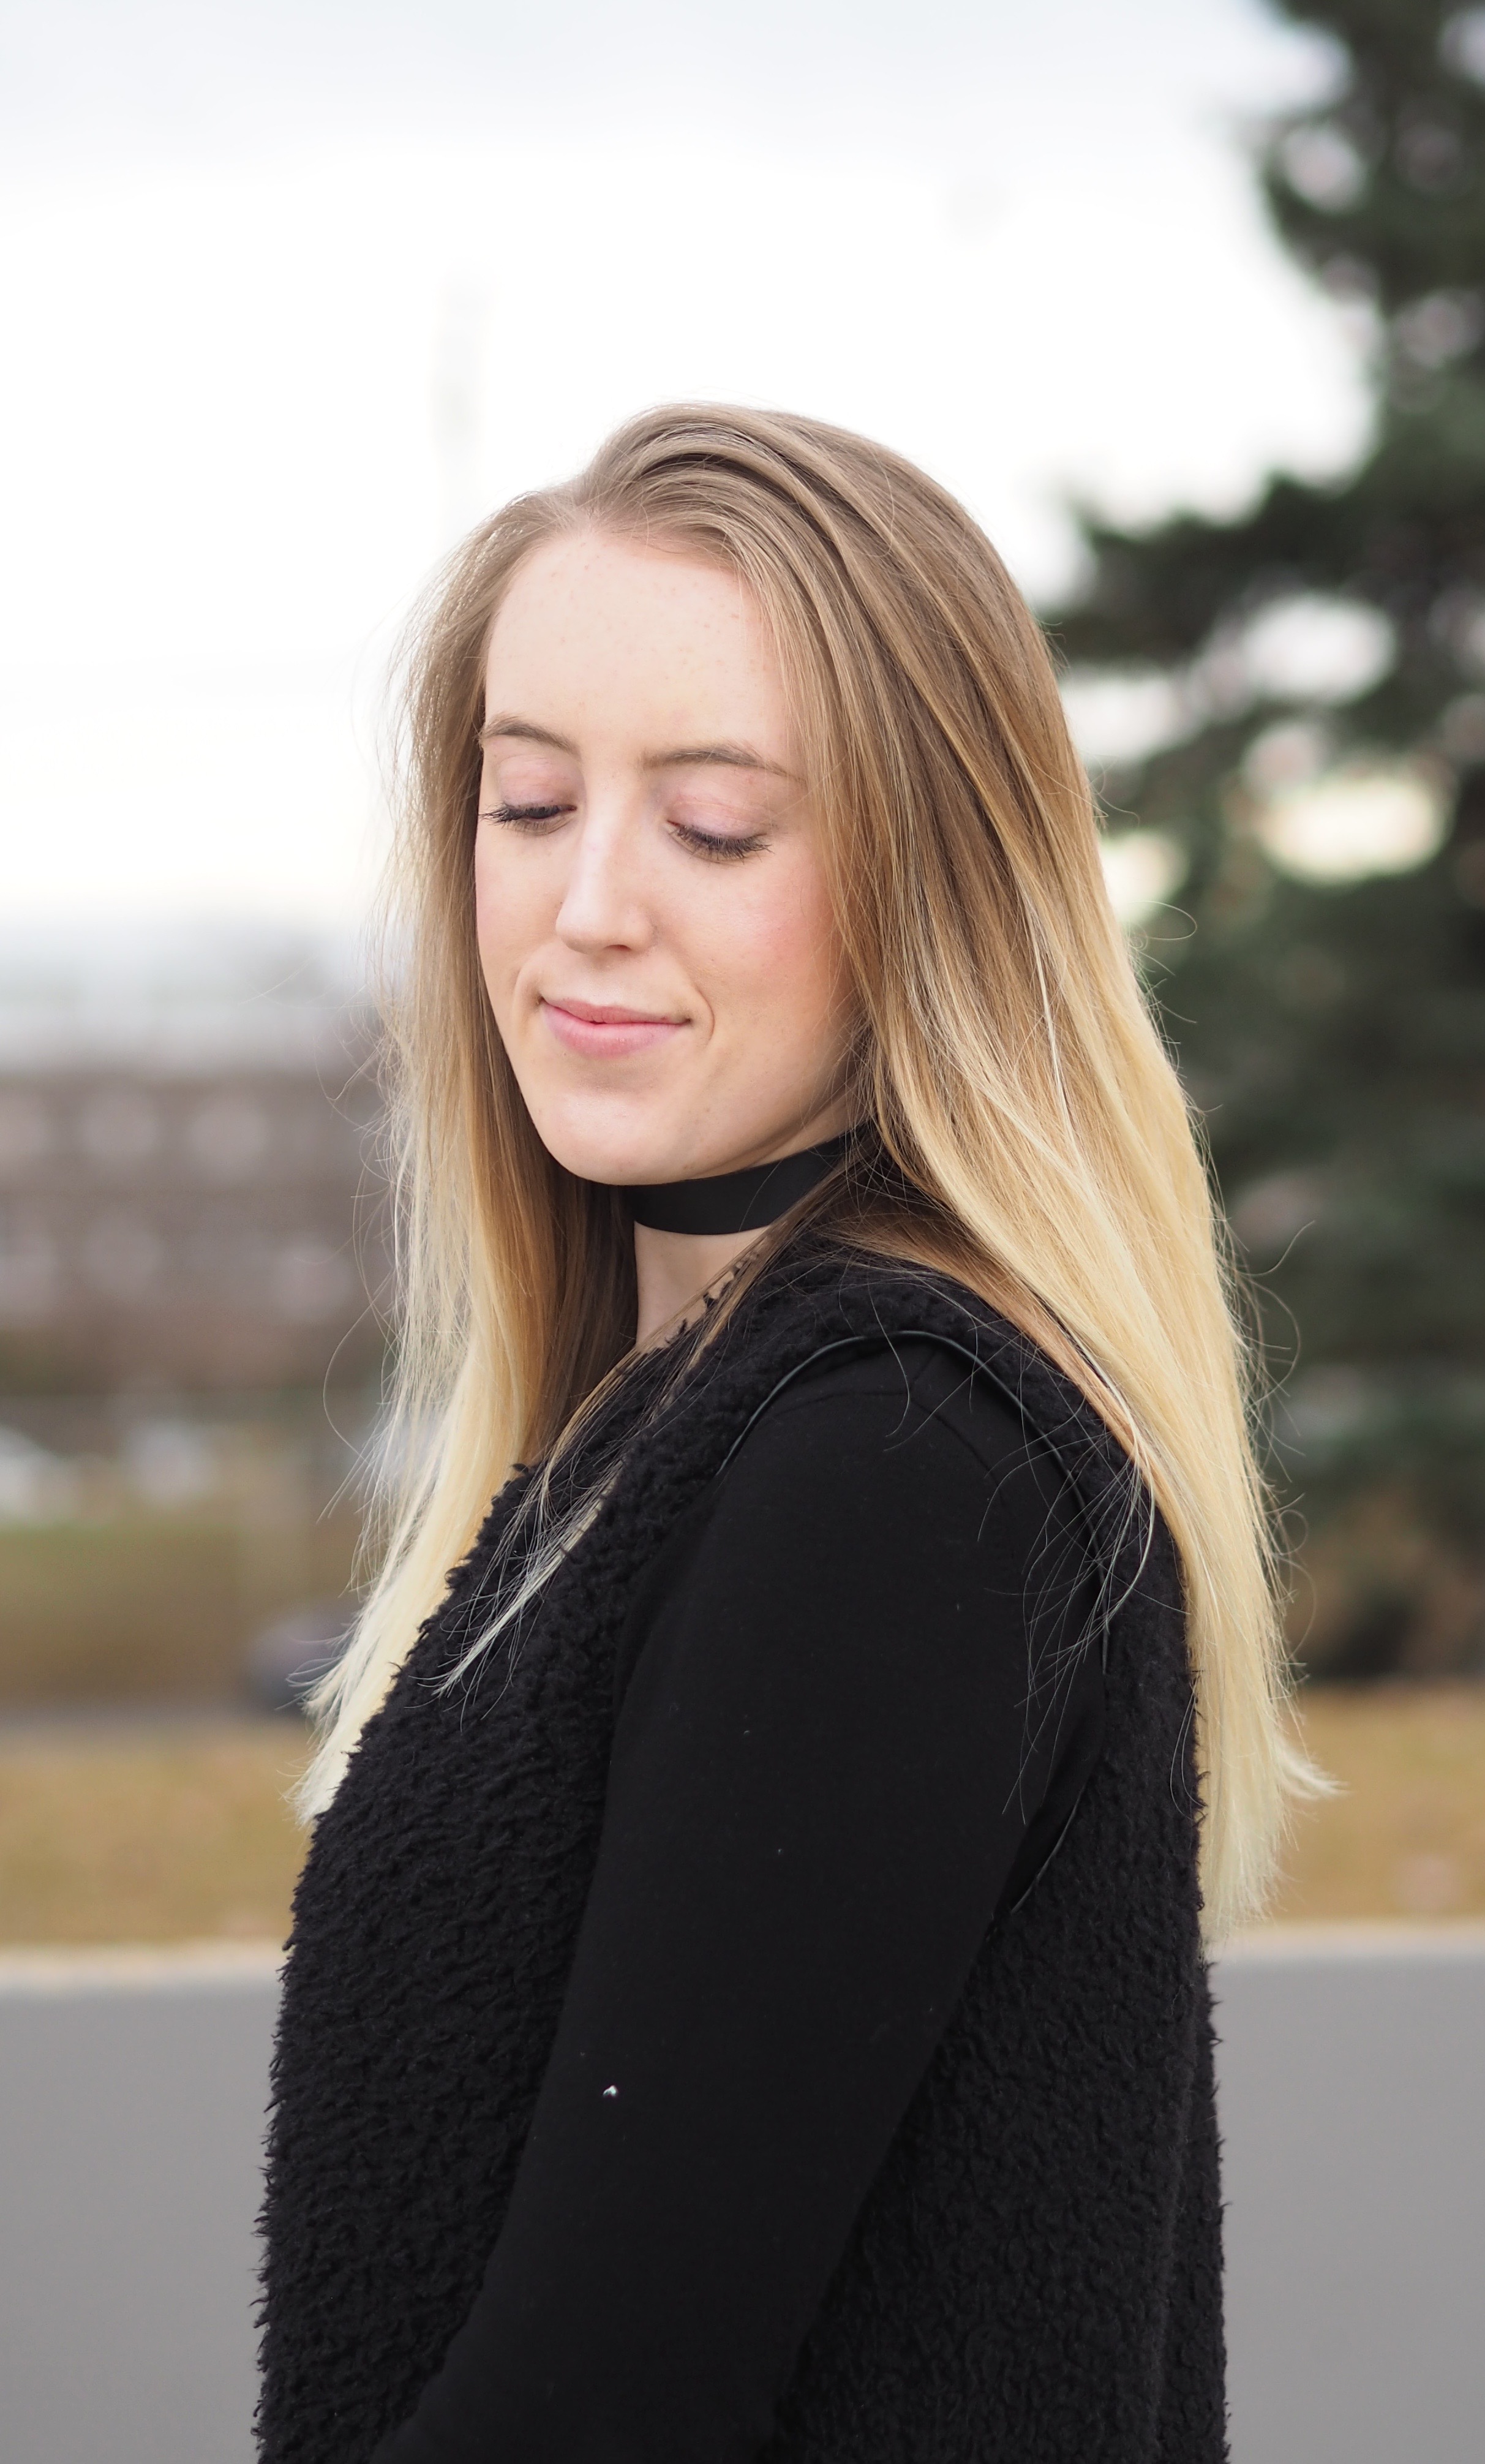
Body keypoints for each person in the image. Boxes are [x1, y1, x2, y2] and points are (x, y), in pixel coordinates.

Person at [257, 405, 1310, 2464]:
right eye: (530, 801)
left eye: (716, 826)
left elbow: (601, 2405)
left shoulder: (898, 1460)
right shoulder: (664, 1441)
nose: (584, 910)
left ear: (938, 886)